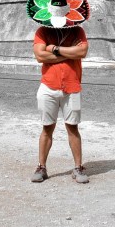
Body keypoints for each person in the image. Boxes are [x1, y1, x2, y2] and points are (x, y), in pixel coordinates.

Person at [31, 25, 89, 184]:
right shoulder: (43, 31)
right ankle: (41, 167)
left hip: (72, 86)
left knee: (73, 128)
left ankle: (78, 167)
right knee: (47, 128)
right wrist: (69, 53)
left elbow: (82, 52)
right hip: (48, 87)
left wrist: (54, 49)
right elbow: (40, 56)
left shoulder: (77, 30)